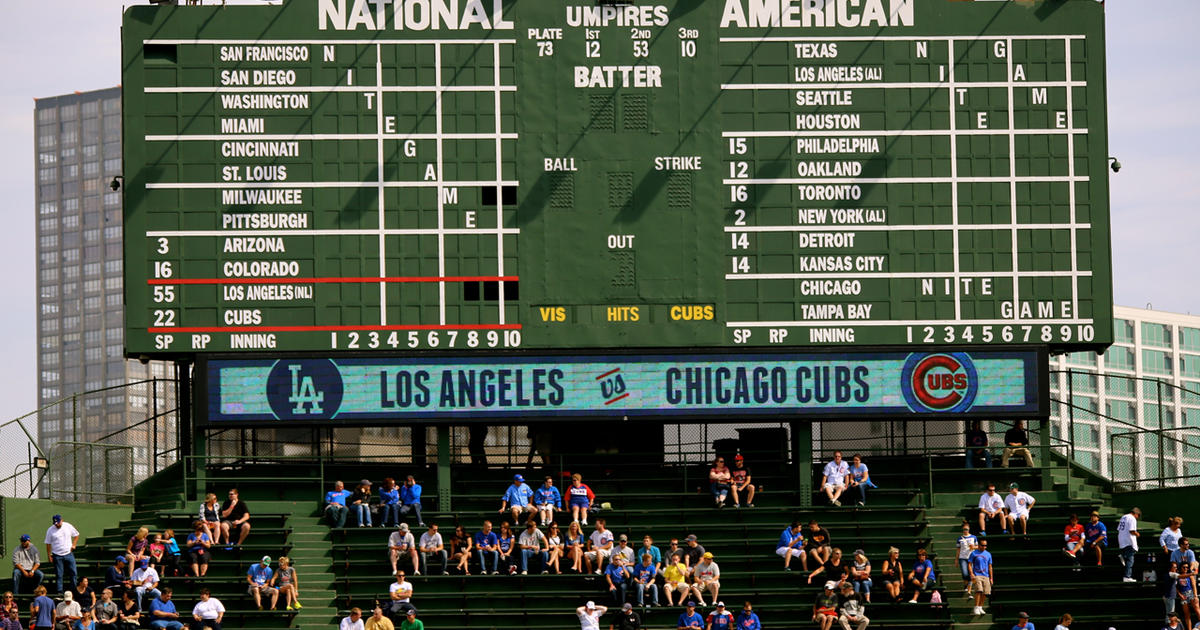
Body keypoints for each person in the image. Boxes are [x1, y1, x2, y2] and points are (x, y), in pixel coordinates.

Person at [44, 515, 79, 593]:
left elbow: (76, 535)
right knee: (59, 575)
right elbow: (48, 543)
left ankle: (73, 589)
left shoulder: (68, 526)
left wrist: (74, 544)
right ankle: (59, 591)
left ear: (61, 520)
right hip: (57, 555)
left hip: (68, 553)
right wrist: (49, 555)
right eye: (55, 523)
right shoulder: (50, 530)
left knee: (73, 572)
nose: (57, 524)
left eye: (58, 522)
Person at [968, 538, 993, 616]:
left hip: (986, 575)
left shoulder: (988, 554)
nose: (984, 547)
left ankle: (980, 606)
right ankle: (976, 607)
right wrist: (971, 574)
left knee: (986, 592)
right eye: (982, 545)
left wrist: (991, 578)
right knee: (979, 590)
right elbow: (969, 564)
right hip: (977, 574)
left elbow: (990, 567)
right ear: (979, 545)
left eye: (985, 545)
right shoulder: (974, 553)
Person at [1118, 507, 1142, 583]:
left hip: (1121, 539)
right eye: (1138, 516)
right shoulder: (1132, 518)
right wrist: (1137, 534)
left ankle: (1123, 555)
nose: (1138, 518)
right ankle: (1127, 576)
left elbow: (1119, 528)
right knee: (1130, 560)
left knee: (1128, 557)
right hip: (1128, 541)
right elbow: (1132, 531)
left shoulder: (1124, 516)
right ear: (1136, 514)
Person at [956, 525, 978, 592]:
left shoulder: (973, 537)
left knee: (971, 572)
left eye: (967, 529)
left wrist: (973, 547)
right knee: (964, 573)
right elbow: (958, 549)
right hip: (962, 557)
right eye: (964, 529)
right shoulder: (959, 538)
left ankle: (968, 586)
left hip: (971, 557)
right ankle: (968, 583)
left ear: (969, 529)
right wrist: (956, 559)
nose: (965, 531)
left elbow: (977, 547)